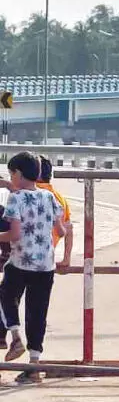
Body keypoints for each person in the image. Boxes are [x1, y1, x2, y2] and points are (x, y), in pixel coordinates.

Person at [0, 152, 65, 384]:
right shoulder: (48, 197)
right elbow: (62, 230)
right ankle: (34, 366)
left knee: (7, 295)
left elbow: (14, 234)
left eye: (11, 174)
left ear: (17, 174)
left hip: (21, 262)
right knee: (38, 313)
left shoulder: (15, 200)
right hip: (45, 264)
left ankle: (16, 336)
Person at [36, 157, 72, 268]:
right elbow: (69, 228)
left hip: (25, 252)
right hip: (47, 254)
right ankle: (67, 259)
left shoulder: (28, 193)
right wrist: (66, 259)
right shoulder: (59, 198)